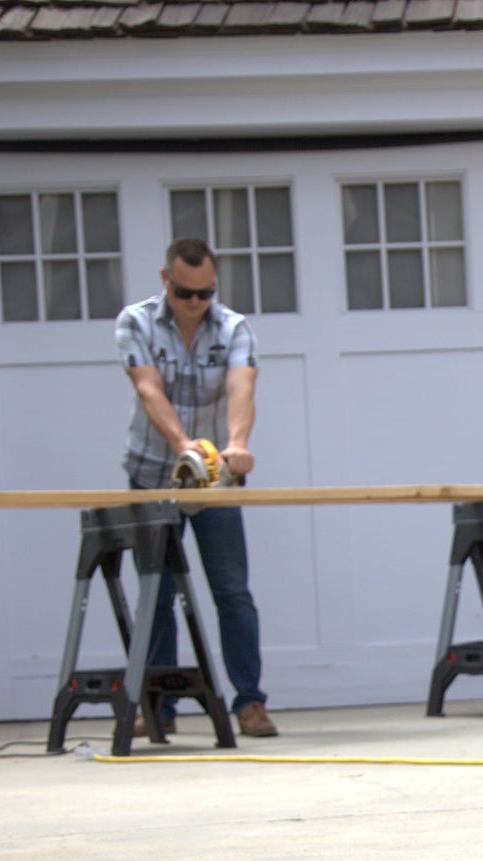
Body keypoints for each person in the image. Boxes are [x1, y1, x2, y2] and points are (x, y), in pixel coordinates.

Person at [114, 237, 277, 738]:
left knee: (232, 591)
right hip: (152, 472)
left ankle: (249, 703)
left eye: (205, 293)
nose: (195, 304)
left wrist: (236, 443)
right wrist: (185, 445)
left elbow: (241, 386)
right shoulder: (135, 322)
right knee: (156, 593)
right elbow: (147, 388)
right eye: (186, 293)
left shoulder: (232, 327)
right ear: (165, 280)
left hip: (214, 480)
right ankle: (159, 708)